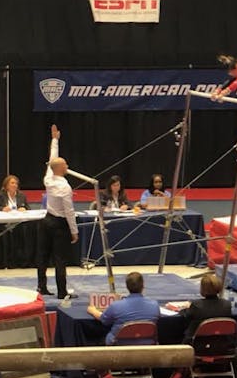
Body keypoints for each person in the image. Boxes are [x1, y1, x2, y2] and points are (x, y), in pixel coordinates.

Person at [36, 125, 77, 298]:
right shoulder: (65, 187)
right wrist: (74, 232)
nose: (67, 165)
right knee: (60, 259)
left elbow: (52, 159)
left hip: (47, 221)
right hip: (60, 224)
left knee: (43, 255)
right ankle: (62, 292)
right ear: (61, 168)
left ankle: (41, 286)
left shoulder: (48, 178)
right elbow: (69, 212)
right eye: (65, 164)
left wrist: (55, 140)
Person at [87, 272, 159, 345]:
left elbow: (104, 319)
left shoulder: (116, 306)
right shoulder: (154, 305)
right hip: (147, 343)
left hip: (119, 344)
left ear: (127, 287)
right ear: (143, 286)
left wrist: (93, 311)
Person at [179, 273, 231, 343]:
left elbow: (187, 316)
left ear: (202, 289)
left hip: (197, 344)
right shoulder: (227, 304)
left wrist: (184, 309)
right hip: (221, 343)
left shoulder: (197, 305)